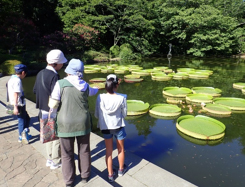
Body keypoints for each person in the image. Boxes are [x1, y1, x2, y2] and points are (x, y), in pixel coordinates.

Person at [49, 59, 98, 187]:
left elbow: (53, 105)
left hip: (65, 124)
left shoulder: (60, 84)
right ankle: (85, 176)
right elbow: (93, 91)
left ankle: (69, 181)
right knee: (84, 150)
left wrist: (51, 118)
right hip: (83, 123)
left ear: (68, 71)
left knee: (66, 154)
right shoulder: (85, 85)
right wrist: (97, 88)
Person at [33, 49, 67, 169]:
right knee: (56, 136)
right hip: (52, 111)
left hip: (42, 109)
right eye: (61, 63)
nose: (62, 65)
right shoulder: (54, 76)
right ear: (56, 63)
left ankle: (49, 158)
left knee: (47, 135)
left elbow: (35, 90)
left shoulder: (40, 73)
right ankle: (56, 161)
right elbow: (56, 95)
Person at [95, 74, 127, 183]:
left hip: (105, 127)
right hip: (118, 126)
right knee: (121, 149)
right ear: (117, 85)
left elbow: (96, 114)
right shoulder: (122, 98)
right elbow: (125, 114)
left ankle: (110, 174)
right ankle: (121, 170)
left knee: (108, 151)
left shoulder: (100, 97)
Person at [7, 64, 31, 144]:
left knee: (26, 118)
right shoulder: (17, 80)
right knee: (21, 120)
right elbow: (16, 93)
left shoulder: (12, 78)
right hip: (19, 104)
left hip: (13, 102)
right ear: (23, 72)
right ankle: (21, 136)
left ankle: (25, 132)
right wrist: (15, 107)